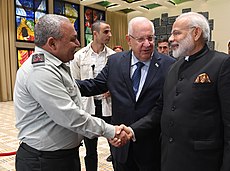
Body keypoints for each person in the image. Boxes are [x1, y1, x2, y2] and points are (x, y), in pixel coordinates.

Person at [121, 12, 230, 171]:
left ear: (196, 33)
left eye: (176, 33)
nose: (170, 39)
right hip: (169, 159)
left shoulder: (222, 64)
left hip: (204, 162)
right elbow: (160, 110)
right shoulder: (174, 67)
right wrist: (133, 130)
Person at [13, 14, 125, 171]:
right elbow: (70, 116)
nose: (78, 44)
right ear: (52, 43)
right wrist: (111, 130)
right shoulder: (41, 71)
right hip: (44, 162)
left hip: (63, 157)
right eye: (73, 39)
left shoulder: (58, 65)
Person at [76, 16, 176, 171]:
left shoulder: (169, 66)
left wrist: (133, 131)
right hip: (121, 149)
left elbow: (162, 107)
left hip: (151, 148)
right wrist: (65, 84)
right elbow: (95, 85)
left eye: (150, 38)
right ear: (129, 40)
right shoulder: (116, 61)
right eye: (141, 39)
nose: (147, 44)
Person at [70, 20, 115, 170]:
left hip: (108, 106)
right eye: (106, 32)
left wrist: (112, 90)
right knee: (90, 150)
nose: (110, 35)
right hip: (88, 107)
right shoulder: (79, 56)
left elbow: (118, 81)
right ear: (95, 34)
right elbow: (74, 83)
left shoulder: (113, 56)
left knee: (114, 147)